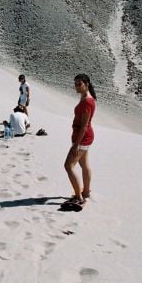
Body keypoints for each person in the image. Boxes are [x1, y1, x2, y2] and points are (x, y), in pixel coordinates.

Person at [63, 73, 96, 209]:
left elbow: (84, 125)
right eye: (75, 83)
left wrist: (76, 145)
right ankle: (86, 191)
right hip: (84, 137)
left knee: (68, 166)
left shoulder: (87, 101)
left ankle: (79, 197)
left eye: (79, 84)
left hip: (82, 138)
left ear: (86, 84)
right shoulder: (86, 98)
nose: (76, 86)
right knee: (84, 164)